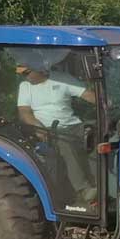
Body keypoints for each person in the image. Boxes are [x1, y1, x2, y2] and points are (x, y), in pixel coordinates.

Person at [16, 64, 98, 207]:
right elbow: (25, 112)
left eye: (27, 72)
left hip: (75, 125)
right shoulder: (25, 86)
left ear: (40, 69)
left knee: (99, 137)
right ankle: (83, 190)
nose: (24, 76)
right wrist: (38, 128)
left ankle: (104, 186)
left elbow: (87, 94)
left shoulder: (62, 79)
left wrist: (107, 103)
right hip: (49, 129)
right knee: (65, 144)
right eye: (22, 74)